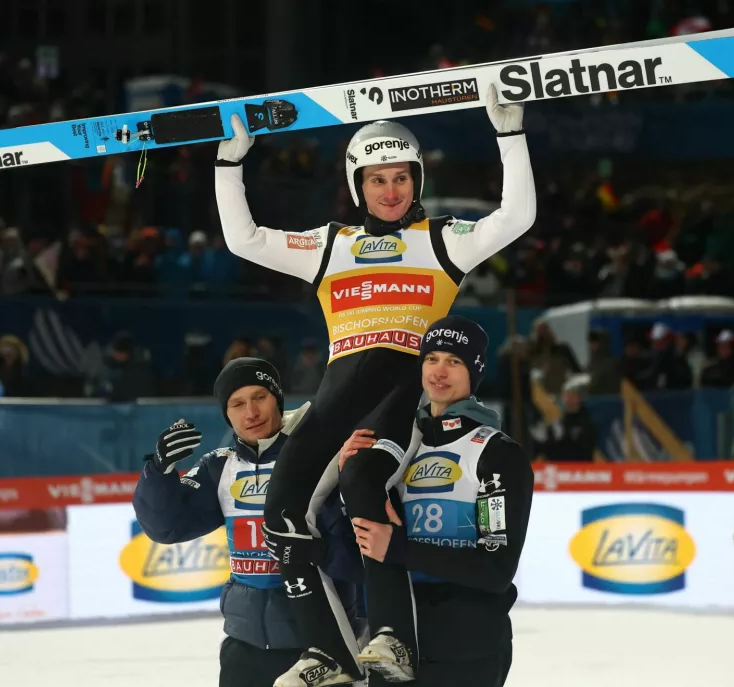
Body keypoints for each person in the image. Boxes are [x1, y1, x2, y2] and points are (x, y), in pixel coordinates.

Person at [215, 85, 535, 686]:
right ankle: (329, 655)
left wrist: (509, 136)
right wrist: (229, 163)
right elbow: (246, 240)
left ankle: (391, 637)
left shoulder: (443, 240)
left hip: (398, 386)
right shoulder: (331, 245)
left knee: (364, 480)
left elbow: (516, 217)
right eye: (377, 180)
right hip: (341, 390)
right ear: (357, 184)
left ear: (417, 181)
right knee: (280, 508)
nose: (391, 192)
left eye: (401, 179)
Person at [131, 358, 365, 687]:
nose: (250, 413)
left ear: (278, 400)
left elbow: (359, 555)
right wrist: (158, 471)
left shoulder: (320, 460)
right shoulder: (219, 467)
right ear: (227, 414)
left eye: (260, 397)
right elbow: (166, 527)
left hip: (317, 650)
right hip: (243, 646)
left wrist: (316, 551)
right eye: (237, 404)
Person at [342, 316, 534, 687]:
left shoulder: (496, 453)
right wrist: (347, 472)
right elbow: (359, 538)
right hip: (392, 646)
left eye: (454, 361)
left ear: (474, 371)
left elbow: (495, 571)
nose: (439, 371)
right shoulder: (394, 448)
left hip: (466, 646)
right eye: (431, 359)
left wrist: (398, 549)